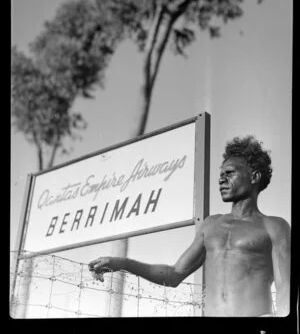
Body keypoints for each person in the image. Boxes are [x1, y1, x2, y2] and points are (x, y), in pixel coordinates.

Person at [88, 136, 290, 317]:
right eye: (221, 174)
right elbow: (173, 274)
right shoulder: (211, 225)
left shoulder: (274, 226)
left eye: (229, 173)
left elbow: (285, 289)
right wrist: (122, 263)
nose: (221, 179)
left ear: (254, 177)